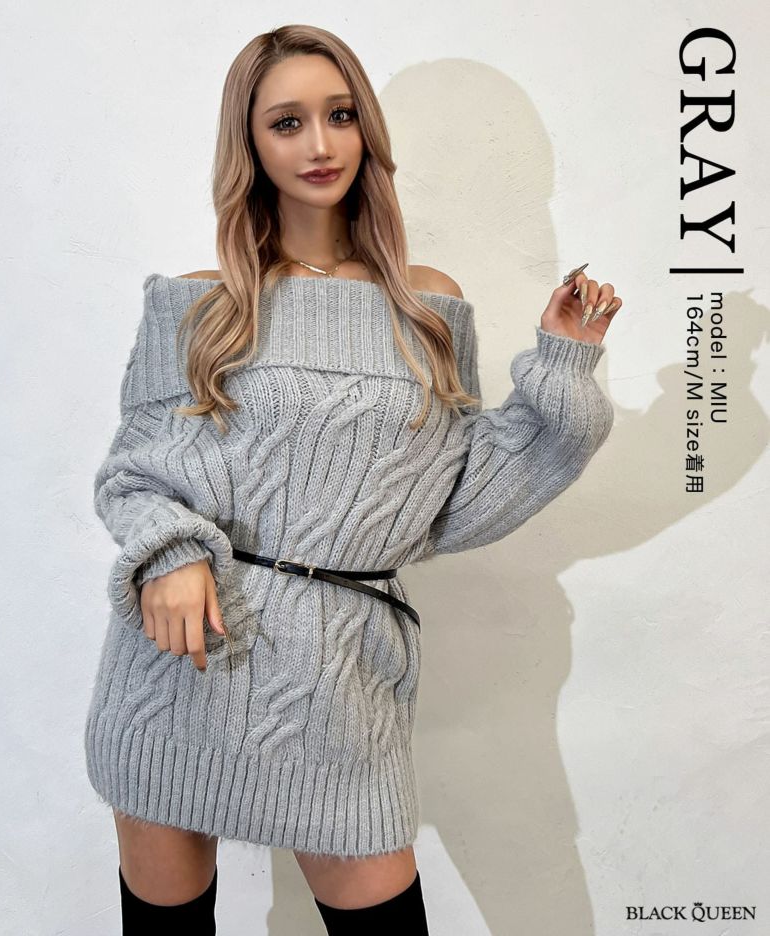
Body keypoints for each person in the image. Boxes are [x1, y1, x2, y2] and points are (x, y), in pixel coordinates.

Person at [84, 24, 621, 935]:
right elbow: (130, 476)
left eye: (339, 115)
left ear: (367, 129)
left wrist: (563, 368)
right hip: (178, 665)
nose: (320, 144)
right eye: (286, 122)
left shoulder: (427, 303)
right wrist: (169, 551)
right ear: (250, 144)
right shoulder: (194, 299)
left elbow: (453, 502)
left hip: (341, 680)